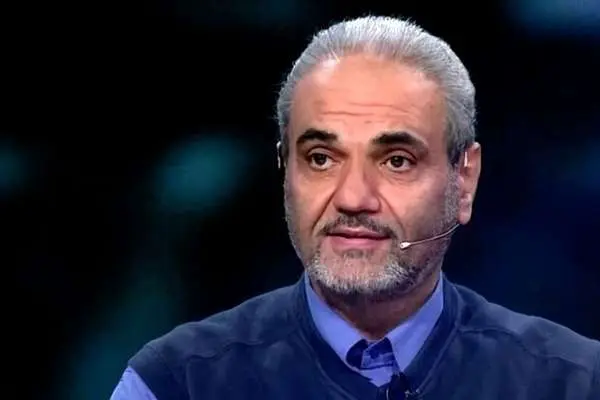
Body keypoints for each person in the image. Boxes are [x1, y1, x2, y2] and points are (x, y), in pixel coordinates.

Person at [110, 15, 600, 400]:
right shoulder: (175, 381)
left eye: (396, 161)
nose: (353, 198)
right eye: (321, 159)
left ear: (464, 179)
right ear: (285, 171)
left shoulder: (572, 381)